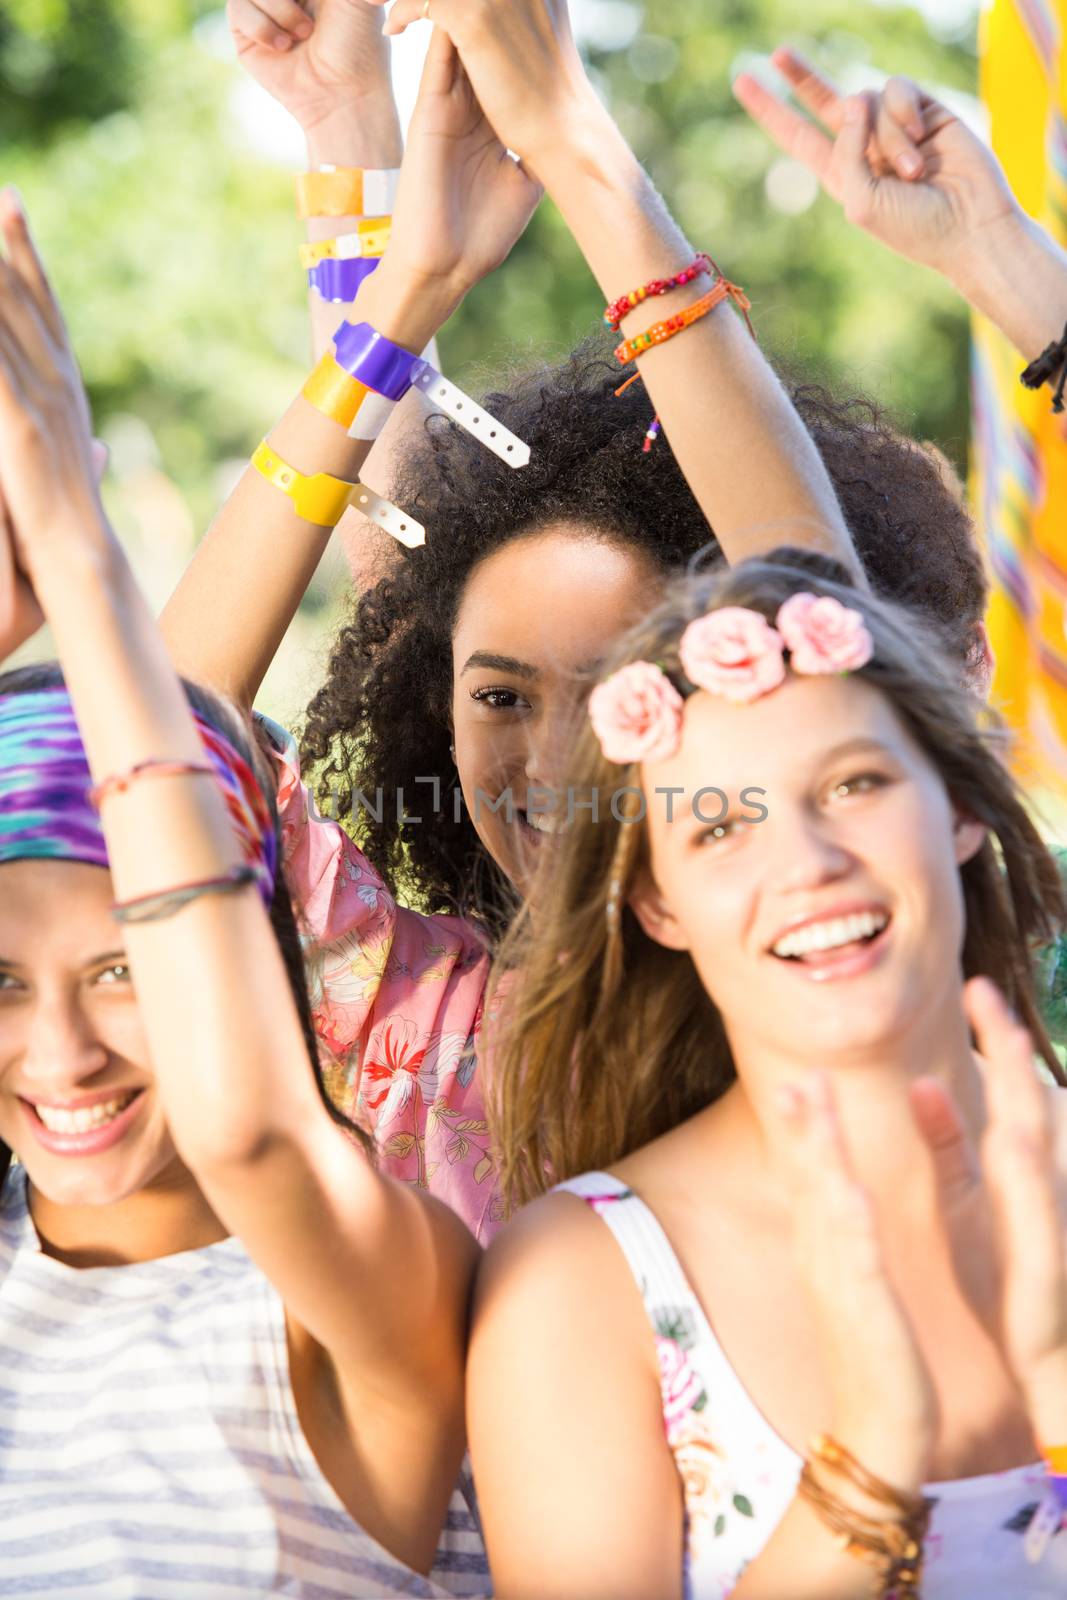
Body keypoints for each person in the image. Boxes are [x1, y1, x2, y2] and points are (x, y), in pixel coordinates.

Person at [162, 0, 867, 1237]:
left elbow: (818, 622)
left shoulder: (828, 956)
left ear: (739, 675)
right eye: (497, 696)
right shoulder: (416, 1029)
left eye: (615, 687)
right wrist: (381, 232)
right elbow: (151, 758)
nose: (550, 757)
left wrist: (576, 145)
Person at [0, 195, 486, 1597]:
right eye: (3, 982)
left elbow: (254, 1138)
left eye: (125, 969)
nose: (62, 1053)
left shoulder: (351, 1294)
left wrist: (85, 561)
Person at [468, 552, 1067, 1598]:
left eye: (852, 783)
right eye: (719, 825)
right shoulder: (579, 1284)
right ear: (657, 906)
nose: (805, 862)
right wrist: (871, 1465)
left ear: (960, 810)